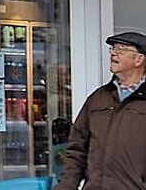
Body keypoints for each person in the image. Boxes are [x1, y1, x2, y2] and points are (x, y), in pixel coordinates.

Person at [56, 31, 146, 190]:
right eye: (112, 49)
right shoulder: (98, 98)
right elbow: (77, 149)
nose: (113, 53)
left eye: (121, 49)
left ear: (139, 59)